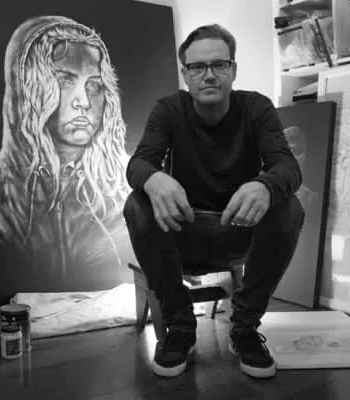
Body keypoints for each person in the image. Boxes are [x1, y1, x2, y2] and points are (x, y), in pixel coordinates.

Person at [123, 24, 305, 378]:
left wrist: (265, 185)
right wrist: (154, 179)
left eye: (219, 65)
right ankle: (180, 327)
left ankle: (244, 328)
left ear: (233, 70)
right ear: (185, 74)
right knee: (137, 204)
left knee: (289, 207)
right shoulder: (169, 109)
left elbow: (288, 167)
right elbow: (139, 163)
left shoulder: (256, 108)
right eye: (197, 67)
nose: (208, 75)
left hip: (238, 229)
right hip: (184, 230)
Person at [0, 16, 134, 292]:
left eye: (94, 85)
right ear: (29, 89)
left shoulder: (125, 189)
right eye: (65, 81)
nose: (83, 102)